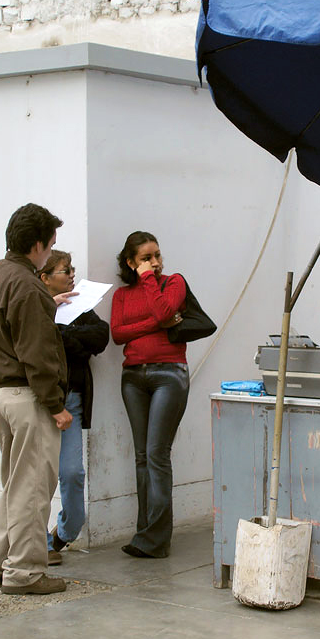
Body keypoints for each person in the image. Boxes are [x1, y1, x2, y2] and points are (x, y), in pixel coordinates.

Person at [0, 204, 72, 595]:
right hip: (28, 396)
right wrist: (56, 405)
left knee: (16, 485)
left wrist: (49, 305)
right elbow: (36, 353)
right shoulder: (29, 285)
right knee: (32, 488)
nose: (50, 253)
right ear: (37, 244)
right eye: (50, 246)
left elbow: (2, 333)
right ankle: (25, 573)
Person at [111, 231, 189, 559]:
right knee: (141, 457)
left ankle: (156, 540)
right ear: (130, 262)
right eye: (145, 258)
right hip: (132, 377)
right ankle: (145, 532)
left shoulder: (173, 283)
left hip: (169, 375)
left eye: (157, 255)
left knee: (157, 454)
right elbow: (117, 334)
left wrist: (149, 283)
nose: (154, 263)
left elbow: (162, 311)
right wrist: (156, 324)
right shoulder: (121, 296)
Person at [38, 250, 109, 565]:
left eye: (72, 269)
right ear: (45, 278)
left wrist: (65, 335)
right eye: (65, 271)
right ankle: (38, 544)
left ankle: (63, 534)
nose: (71, 275)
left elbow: (100, 336)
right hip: (41, 401)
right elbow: (40, 345)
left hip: (73, 399)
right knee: (38, 475)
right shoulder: (36, 307)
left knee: (72, 472)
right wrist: (70, 340)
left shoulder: (79, 306)